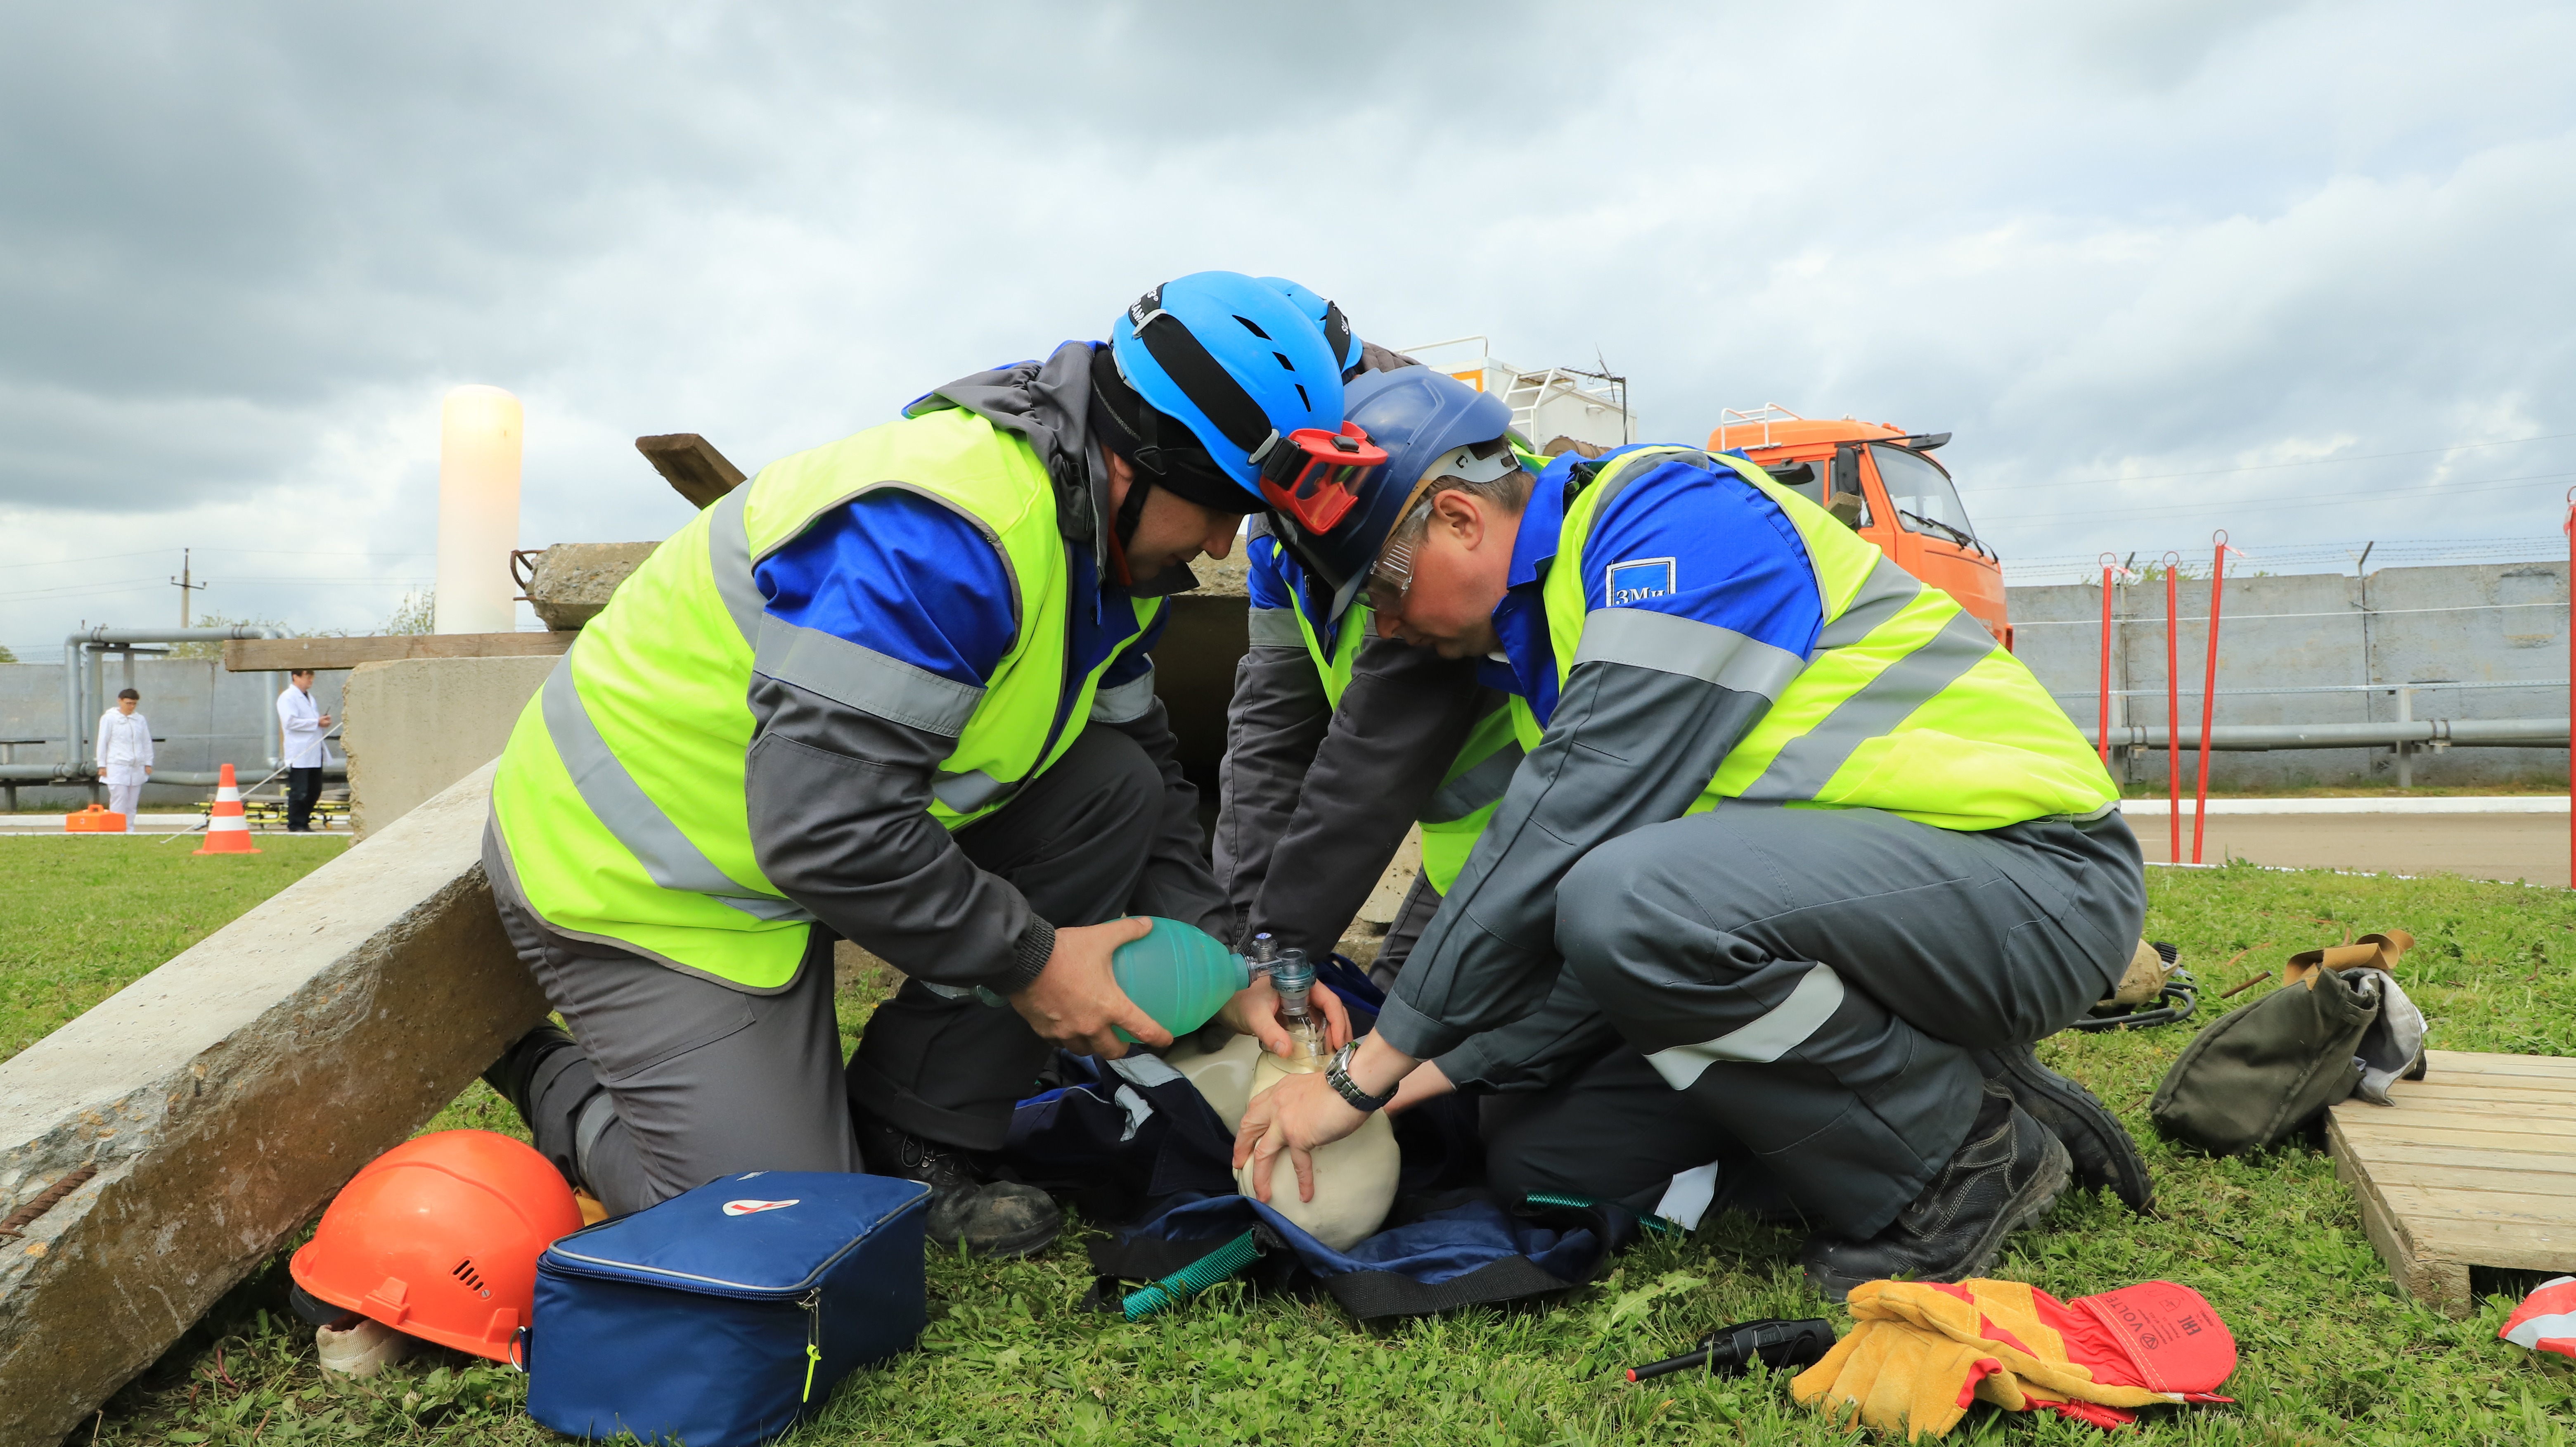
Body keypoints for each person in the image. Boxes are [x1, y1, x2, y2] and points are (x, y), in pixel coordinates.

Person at [477, 273, 1406, 1257]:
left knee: (1112, 791)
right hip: (647, 873)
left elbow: (1140, 764)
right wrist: (1038, 964)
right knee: (789, 1237)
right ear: (1139, 456)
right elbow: (825, 824)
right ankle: (543, 1073)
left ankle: (912, 1126)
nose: (1225, 539)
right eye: (1220, 505)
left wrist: (1228, 965)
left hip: (808, 841)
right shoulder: (944, 536)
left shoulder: (1103, 544)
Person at [1234, 370, 2151, 1300]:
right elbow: (1605, 944)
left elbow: (1579, 858)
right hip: (1863, 921)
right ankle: (1961, 1092)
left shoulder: (1674, 522)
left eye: (1384, 586)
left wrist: (1358, 1081)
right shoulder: (1546, 643)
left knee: (1619, 898)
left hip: (2039, 878)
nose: (1384, 626)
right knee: (1543, 1160)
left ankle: (1960, 1156)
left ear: (1462, 519)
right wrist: (1423, 1079)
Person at [1215, 365, 1526, 984]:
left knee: (1411, 1048)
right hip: (1466, 849)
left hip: (1538, 851)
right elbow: (1267, 742)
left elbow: (1365, 773)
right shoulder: (1280, 542)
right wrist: (1238, 947)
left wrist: (1274, 960)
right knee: (1386, 1025)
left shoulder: (1415, 516)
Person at [276, 669, 333, 831]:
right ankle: (296, 824)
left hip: (314, 751)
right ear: (296, 677)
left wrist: (320, 722)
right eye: (307, 677)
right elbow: (290, 722)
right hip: (300, 752)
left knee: (315, 790)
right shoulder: (288, 697)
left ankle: (304, 822)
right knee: (300, 791)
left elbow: (310, 720)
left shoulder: (310, 698)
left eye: (312, 678)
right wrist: (316, 722)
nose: (310, 681)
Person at [96, 687, 153, 821]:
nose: (131, 707)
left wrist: (148, 762)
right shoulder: (109, 719)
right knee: (119, 799)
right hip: (117, 765)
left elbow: (146, 742)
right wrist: (102, 765)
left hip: (137, 766)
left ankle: (129, 830)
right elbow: (103, 742)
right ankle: (117, 830)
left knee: (132, 803)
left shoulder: (140, 719)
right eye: (128, 703)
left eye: (134, 704)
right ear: (120, 701)